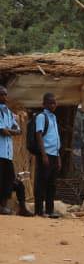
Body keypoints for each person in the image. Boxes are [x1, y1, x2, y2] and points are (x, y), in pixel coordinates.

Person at [0, 85, 30, 216]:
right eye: (2, 94)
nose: (5, 97)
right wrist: (11, 131)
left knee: (12, 181)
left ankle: (21, 207)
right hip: (0, 152)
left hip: (8, 153)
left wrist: (10, 131)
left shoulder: (8, 112)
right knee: (4, 180)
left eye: (6, 94)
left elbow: (18, 130)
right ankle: (3, 206)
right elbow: (3, 131)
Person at [34, 92, 61, 218]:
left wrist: (58, 156)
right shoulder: (41, 116)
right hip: (46, 154)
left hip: (54, 154)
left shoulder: (54, 117)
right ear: (44, 104)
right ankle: (39, 211)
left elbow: (55, 138)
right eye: (50, 102)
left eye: (54, 102)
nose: (53, 105)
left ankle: (50, 210)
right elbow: (38, 135)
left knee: (52, 184)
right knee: (41, 182)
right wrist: (43, 154)